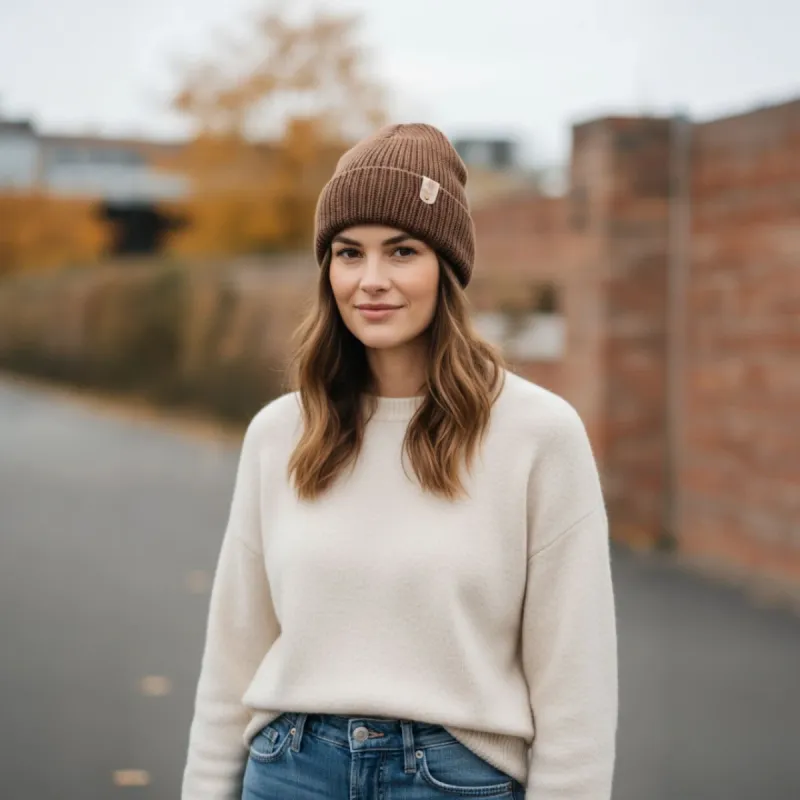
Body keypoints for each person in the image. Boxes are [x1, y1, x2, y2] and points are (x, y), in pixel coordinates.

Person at [181, 123, 618, 800]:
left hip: (452, 779)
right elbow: (231, 657)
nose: (372, 280)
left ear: (447, 267)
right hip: (290, 770)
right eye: (349, 253)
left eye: (403, 251)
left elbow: (576, 681)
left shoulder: (538, 435)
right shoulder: (280, 433)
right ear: (327, 268)